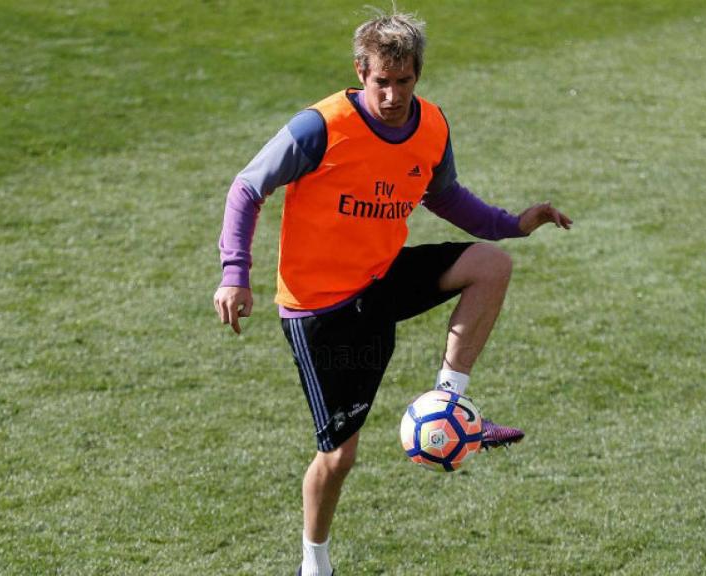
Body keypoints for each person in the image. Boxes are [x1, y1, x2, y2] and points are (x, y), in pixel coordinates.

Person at [213, 9, 572, 575]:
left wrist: (512, 223)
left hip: (380, 278)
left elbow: (446, 196)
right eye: (382, 81)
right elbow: (247, 187)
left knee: (491, 266)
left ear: (417, 76)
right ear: (362, 72)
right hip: (321, 308)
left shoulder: (430, 126)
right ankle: (315, 562)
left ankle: (450, 404)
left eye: (404, 82)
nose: (393, 95)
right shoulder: (320, 127)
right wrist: (236, 272)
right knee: (339, 455)